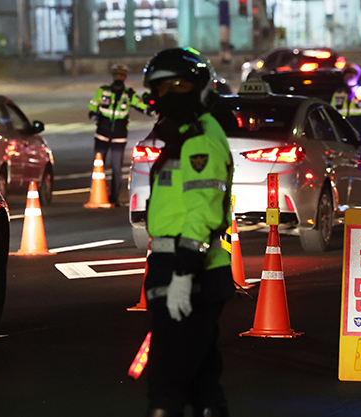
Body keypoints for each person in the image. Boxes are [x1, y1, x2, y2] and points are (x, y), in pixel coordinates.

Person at [141, 47, 235, 417]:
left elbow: (203, 209)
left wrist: (182, 272)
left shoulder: (200, 138)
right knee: (200, 378)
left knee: (168, 377)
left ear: (199, 86)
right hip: (173, 261)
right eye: (161, 88)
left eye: (179, 85)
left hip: (191, 267)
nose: (169, 94)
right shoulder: (182, 135)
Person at [88, 63, 150, 206]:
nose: (119, 77)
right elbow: (93, 105)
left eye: (121, 75)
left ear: (124, 77)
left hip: (119, 135)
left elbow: (142, 107)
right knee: (98, 166)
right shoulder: (103, 91)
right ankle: (98, 193)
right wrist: (93, 112)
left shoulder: (129, 94)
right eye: (116, 74)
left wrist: (151, 108)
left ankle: (114, 197)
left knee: (116, 168)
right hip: (102, 134)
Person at [330, 63, 361, 136]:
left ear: (357, 76)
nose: (349, 76)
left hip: (359, 123)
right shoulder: (338, 93)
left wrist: (360, 99)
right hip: (342, 125)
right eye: (347, 74)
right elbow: (332, 109)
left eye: (352, 73)